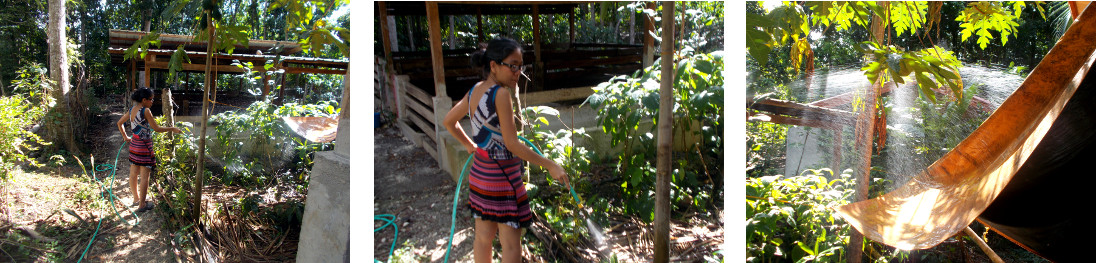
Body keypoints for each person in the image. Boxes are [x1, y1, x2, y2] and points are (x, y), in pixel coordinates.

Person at [443, 38, 571, 263]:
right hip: (503, 180)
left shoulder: (474, 91)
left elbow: (448, 121)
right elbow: (512, 144)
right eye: (512, 65)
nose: (518, 72)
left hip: (480, 177)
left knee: (483, 239)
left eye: (520, 66)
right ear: (493, 66)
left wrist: (469, 146)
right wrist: (550, 164)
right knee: (511, 245)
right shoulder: (500, 94)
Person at [116, 87, 183, 212]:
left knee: (133, 173)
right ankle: (142, 205)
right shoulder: (145, 111)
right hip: (144, 147)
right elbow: (156, 128)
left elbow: (119, 123)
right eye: (151, 99)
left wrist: (125, 137)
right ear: (144, 100)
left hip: (134, 146)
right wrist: (172, 129)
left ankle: (136, 199)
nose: (152, 102)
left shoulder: (131, 110)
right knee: (145, 176)